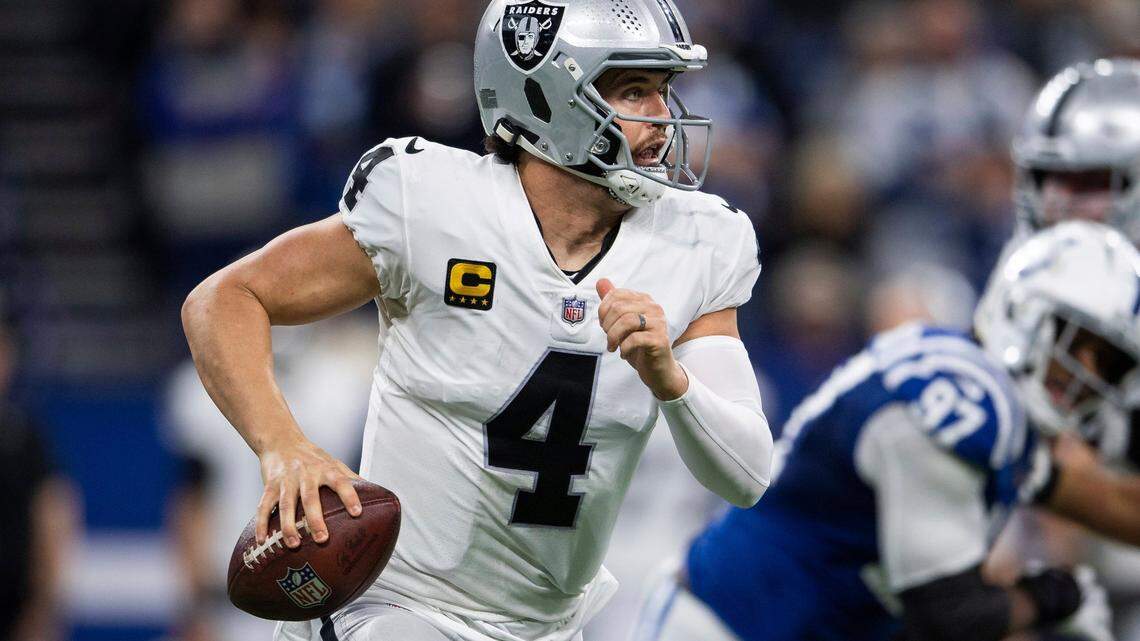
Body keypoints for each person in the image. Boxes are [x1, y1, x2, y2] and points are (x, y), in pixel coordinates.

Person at [179, 1, 775, 640]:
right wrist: (283, 448)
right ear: (548, 98)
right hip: (398, 609)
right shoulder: (430, 203)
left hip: (547, 626)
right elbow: (224, 299)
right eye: (635, 91)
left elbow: (745, 476)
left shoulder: (699, 240)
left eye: (663, 91)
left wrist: (671, 381)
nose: (663, 118)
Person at [639, 221, 1140, 641]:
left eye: (1110, 363)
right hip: (729, 624)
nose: (1089, 372)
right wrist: (1052, 597)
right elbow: (947, 615)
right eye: (1080, 344)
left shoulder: (993, 412)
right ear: (1027, 313)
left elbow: (1110, 504)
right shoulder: (956, 402)